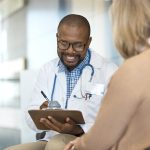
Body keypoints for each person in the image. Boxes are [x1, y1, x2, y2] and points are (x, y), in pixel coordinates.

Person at [5, 14, 117, 150]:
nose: (70, 51)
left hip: (90, 142)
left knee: (56, 145)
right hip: (50, 139)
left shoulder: (108, 71)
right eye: (64, 43)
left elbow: (116, 122)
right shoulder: (48, 70)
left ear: (88, 42)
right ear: (57, 38)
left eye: (78, 45)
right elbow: (30, 117)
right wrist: (41, 114)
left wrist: (77, 129)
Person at [64, 0, 150, 150]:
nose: (71, 50)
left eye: (78, 44)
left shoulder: (131, 70)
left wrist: (77, 145)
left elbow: (98, 141)